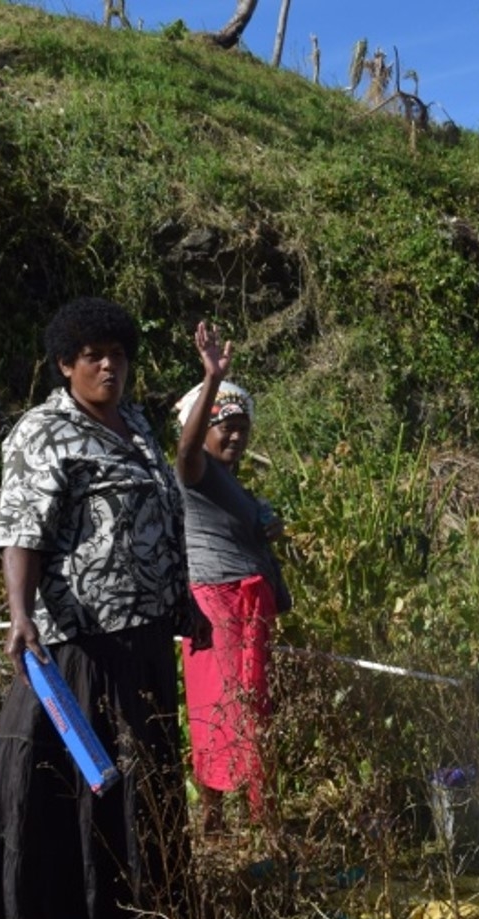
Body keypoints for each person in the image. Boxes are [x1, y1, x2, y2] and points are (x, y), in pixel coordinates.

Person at [0, 298, 209, 919]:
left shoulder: (135, 424)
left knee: (146, 776)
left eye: (117, 355)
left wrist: (184, 603)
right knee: (87, 783)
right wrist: (19, 613)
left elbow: (162, 515)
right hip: (82, 640)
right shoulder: (44, 432)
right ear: (65, 364)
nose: (109, 367)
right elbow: (20, 529)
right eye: (93, 357)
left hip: (144, 633)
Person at [174, 323, 290, 836]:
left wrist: (265, 528)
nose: (237, 436)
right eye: (226, 426)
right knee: (217, 707)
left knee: (252, 704)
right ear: (204, 428)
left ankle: (259, 814)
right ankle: (215, 818)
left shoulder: (231, 483)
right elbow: (186, 449)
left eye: (243, 427)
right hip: (215, 602)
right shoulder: (194, 470)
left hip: (247, 601)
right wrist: (212, 379)